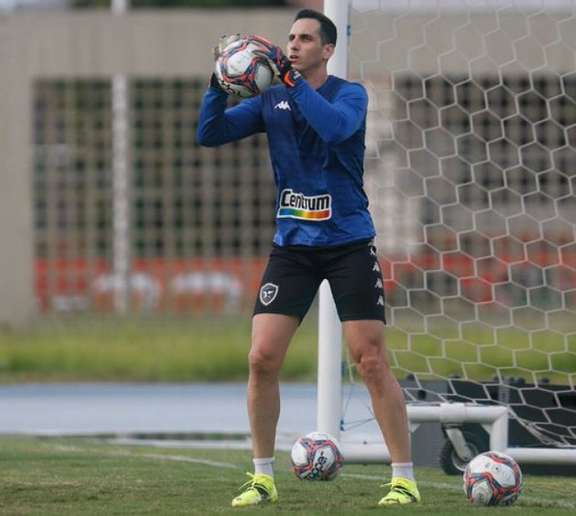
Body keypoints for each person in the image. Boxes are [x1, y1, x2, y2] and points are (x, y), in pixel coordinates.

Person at [197, 8, 420, 508]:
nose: (292, 45)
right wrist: (219, 84)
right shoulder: (270, 99)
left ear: (327, 50)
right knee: (261, 359)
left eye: (304, 39)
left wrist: (293, 80)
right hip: (293, 249)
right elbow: (208, 134)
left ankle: (403, 478)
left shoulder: (350, 95)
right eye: (289, 39)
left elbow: (335, 129)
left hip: (347, 243)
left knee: (371, 360)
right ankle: (261, 477)